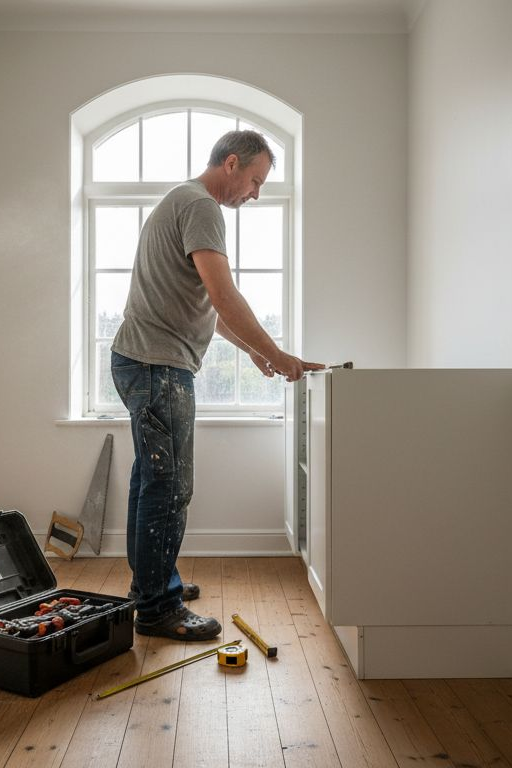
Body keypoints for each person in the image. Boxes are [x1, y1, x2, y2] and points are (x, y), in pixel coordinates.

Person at [110, 130, 324, 640]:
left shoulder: (182, 200)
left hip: (142, 360)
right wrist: (279, 356)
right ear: (231, 164)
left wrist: (251, 350)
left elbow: (207, 305)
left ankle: (151, 588)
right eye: (255, 180)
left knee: (151, 480)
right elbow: (224, 294)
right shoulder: (202, 206)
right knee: (171, 484)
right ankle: (159, 608)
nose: (255, 193)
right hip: (157, 365)